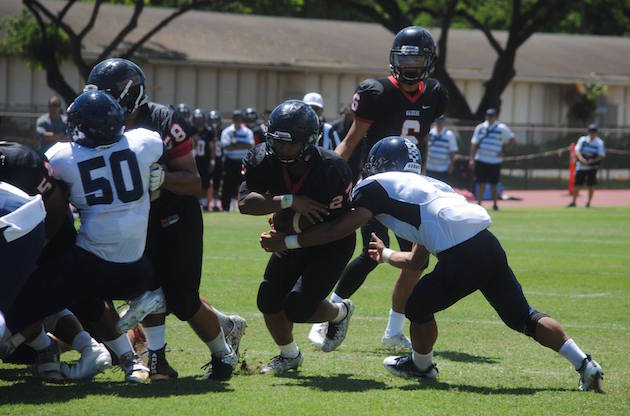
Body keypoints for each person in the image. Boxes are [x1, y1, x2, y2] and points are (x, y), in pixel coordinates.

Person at [260, 136, 604, 392]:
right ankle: (585, 364)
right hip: (486, 244)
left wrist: (288, 240)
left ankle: (422, 367)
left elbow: (342, 227)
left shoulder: (374, 185)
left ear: (379, 163)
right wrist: (387, 255)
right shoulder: (428, 186)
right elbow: (417, 258)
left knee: (418, 305)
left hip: (461, 253)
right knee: (523, 317)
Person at [86, 58, 244, 381]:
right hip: (134, 219)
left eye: (107, 94)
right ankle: (158, 360)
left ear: (130, 95)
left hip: (174, 217)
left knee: (184, 301)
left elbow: (193, 182)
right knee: (145, 290)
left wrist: (161, 177)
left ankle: (223, 354)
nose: (100, 102)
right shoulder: (95, 122)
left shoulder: (161, 119)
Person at [310, 26, 448, 350]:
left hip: (412, 189)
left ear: (429, 61)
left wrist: (425, 182)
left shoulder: (434, 94)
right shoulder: (377, 91)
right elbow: (351, 140)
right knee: (371, 254)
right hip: (377, 185)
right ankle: (328, 315)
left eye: (418, 57)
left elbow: (422, 141)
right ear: (394, 59)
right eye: (406, 57)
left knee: (417, 261)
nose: (412, 64)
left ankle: (393, 331)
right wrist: (324, 178)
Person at [239, 100, 356, 373]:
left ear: (308, 141)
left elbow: (336, 228)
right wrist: (290, 201)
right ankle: (289, 356)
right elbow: (246, 203)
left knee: (298, 308)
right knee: (268, 300)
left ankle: (340, 312)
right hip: (291, 235)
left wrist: (287, 238)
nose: (281, 148)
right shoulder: (261, 159)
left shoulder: (332, 169)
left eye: (289, 143)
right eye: (276, 141)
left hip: (331, 242)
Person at [469, 108, 515, 211]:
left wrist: (504, 151)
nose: (490, 118)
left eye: (492, 116)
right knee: (481, 183)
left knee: (494, 184)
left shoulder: (501, 128)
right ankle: (479, 203)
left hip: (495, 161)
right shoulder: (480, 128)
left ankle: (495, 204)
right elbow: (474, 143)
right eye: (488, 116)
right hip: (481, 159)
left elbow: (512, 140)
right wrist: (472, 159)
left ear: (496, 117)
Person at [221, 109, 254, 212]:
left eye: (239, 118)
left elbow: (250, 145)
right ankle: (226, 207)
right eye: (235, 118)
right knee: (228, 185)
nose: (237, 120)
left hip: (242, 161)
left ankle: (245, 206)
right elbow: (226, 147)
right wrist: (241, 144)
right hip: (230, 161)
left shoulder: (247, 131)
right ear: (233, 119)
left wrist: (235, 143)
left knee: (245, 185)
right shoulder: (227, 131)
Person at [568, 124, 605, 208]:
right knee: (577, 184)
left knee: (591, 185)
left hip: (592, 167)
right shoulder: (583, 140)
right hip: (581, 166)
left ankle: (588, 203)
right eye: (591, 132)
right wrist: (582, 159)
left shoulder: (599, 142)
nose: (592, 134)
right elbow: (577, 150)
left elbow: (601, 155)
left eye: (594, 132)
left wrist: (591, 161)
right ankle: (573, 202)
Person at [191, 109, 216, 211]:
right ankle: (196, 201)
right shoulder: (191, 130)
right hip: (194, 159)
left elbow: (212, 148)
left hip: (204, 160)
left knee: (205, 181)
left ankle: (204, 202)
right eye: (197, 119)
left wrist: (212, 161)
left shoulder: (208, 132)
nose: (198, 121)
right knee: (195, 180)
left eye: (200, 119)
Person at [426, 115, 458, 184]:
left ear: (444, 123)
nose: (439, 124)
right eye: (438, 121)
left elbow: (453, 151)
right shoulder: (430, 133)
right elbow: (426, 148)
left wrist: (451, 165)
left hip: (443, 169)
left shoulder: (449, 135)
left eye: (441, 122)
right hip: (429, 167)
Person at [208, 110, 224, 211]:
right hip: (208, 159)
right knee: (207, 180)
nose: (214, 122)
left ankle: (215, 203)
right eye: (212, 120)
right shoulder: (207, 132)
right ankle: (205, 202)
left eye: (215, 120)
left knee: (218, 182)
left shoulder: (222, 132)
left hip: (220, 159)